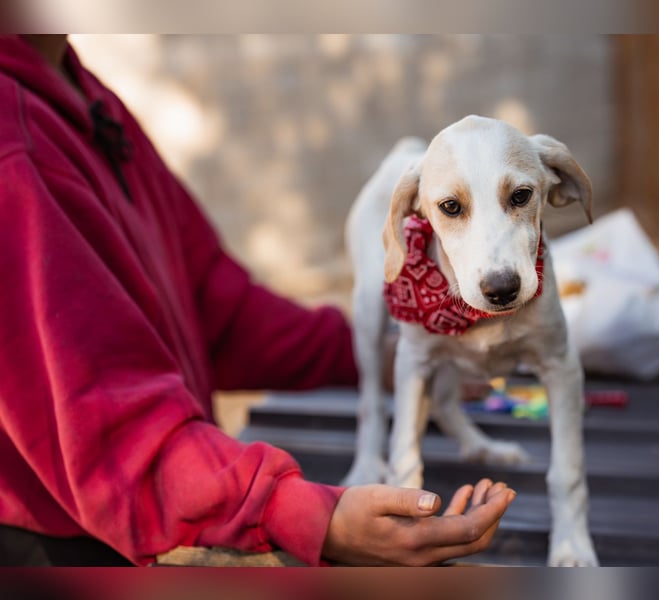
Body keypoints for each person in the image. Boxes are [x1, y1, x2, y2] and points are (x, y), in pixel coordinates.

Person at [0, 34, 515, 567]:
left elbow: (214, 308)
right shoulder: (12, 149)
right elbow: (112, 437)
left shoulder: (77, 89)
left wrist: (373, 357)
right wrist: (308, 514)